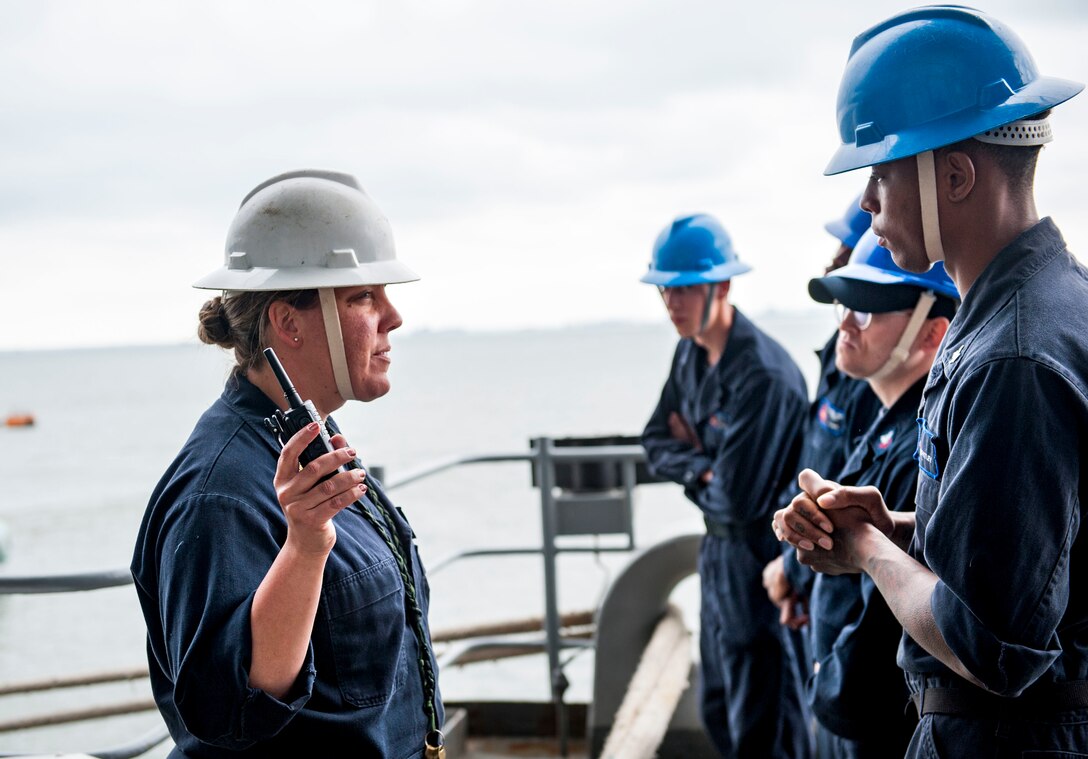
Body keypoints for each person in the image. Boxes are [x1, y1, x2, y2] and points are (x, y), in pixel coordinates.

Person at [774, 6, 1088, 755]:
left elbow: (995, 644)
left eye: (880, 172)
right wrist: (900, 526)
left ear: (953, 175)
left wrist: (868, 550)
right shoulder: (1031, 310)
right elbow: (1040, 548)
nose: (866, 203)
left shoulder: (1013, 356)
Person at [131, 169, 445, 758]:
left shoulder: (304, 439)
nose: (393, 317)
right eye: (363, 297)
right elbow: (224, 711)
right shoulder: (219, 493)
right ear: (289, 322)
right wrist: (304, 549)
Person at [640, 213, 811, 758]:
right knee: (717, 703)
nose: (673, 303)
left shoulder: (763, 374)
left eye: (686, 289)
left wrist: (693, 457)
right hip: (717, 550)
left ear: (723, 286)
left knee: (765, 722)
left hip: (761, 559)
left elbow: (736, 501)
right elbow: (653, 440)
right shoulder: (689, 352)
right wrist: (705, 466)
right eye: (666, 289)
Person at [791, 229, 959, 758]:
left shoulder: (917, 445)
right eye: (844, 306)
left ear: (932, 334)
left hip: (870, 722)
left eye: (864, 312)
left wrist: (828, 682)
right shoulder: (886, 420)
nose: (844, 324)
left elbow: (881, 627)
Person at [763, 195, 881, 635]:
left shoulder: (873, 372)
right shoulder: (843, 354)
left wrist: (790, 574)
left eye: (845, 250)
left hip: (835, 581)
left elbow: (848, 488)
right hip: (811, 569)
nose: (831, 264)